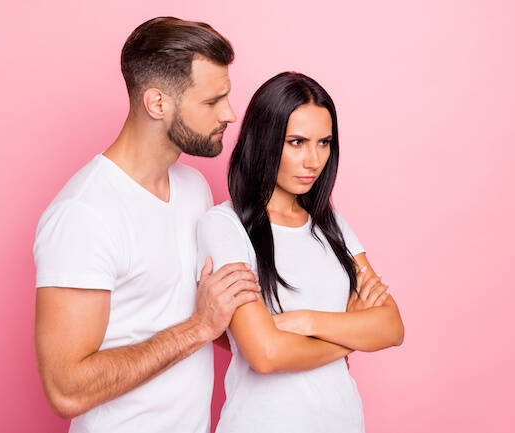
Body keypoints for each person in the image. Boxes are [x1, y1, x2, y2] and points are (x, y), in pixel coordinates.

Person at [33, 17, 260, 433]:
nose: (229, 114)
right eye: (212, 101)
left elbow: (209, 316)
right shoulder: (83, 215)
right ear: (157, 104)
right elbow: (66, 391)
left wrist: (316, 340)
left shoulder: (193, 188)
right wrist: (198, 328)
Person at [196, 72, 405, 433]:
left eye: (324, 143)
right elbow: (265, 354)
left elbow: (392, 327)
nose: (314, 160)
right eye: (296, 142)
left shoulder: (332, 225)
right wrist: (348, 339)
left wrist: (304, 321)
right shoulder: (224, 226)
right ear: (264, 139)